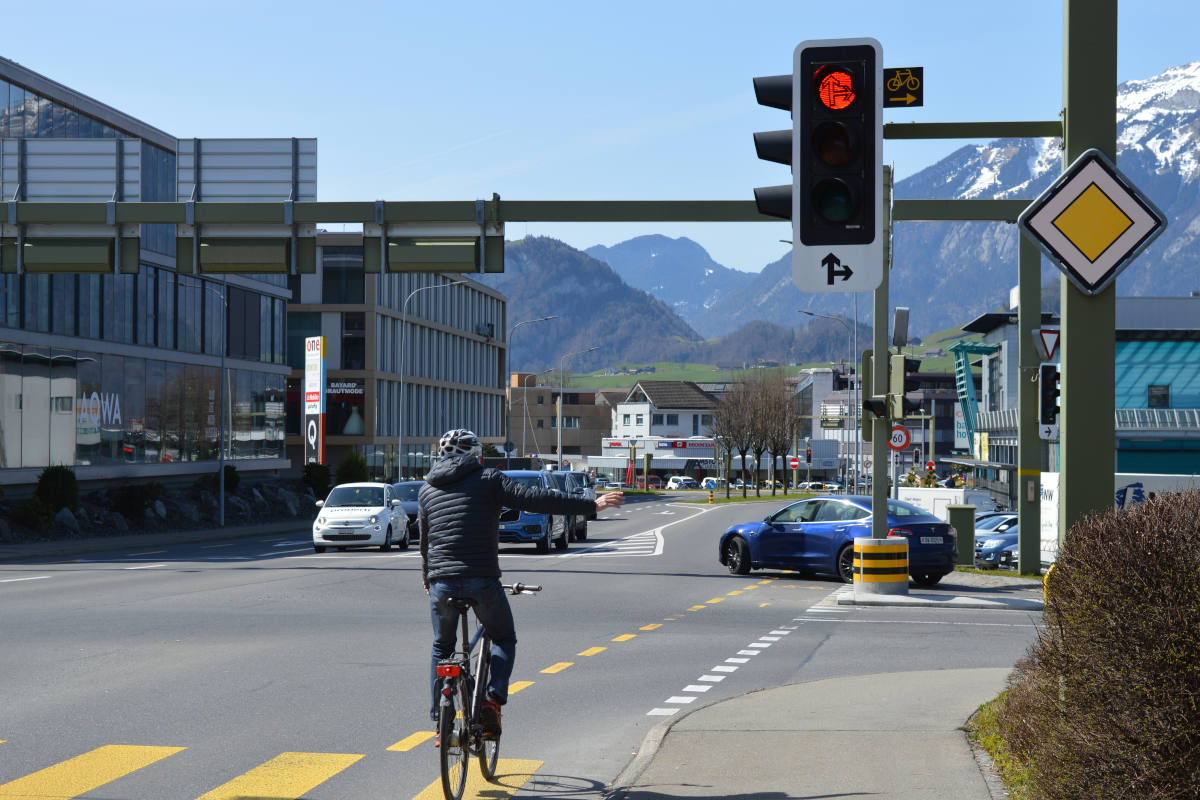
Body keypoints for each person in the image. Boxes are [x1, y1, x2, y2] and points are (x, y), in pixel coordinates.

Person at [419, 428, 625, 741]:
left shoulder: (427, 489)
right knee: (503, 637)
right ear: (475, 455)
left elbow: (425, 543)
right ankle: (492, 700)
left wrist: (428, 579)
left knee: (441, 647)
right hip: (481, 578)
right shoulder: (488, 478)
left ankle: (440, 721)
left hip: (441, 582)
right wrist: (591, 506)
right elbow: (537, 498)